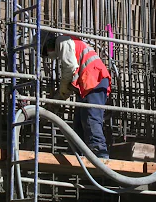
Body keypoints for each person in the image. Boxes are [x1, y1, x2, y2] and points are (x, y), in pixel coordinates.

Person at [39, 31, 112, 159]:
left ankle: (100, 153)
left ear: (47, 45)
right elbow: (72, 78)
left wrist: (62, 89)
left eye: (45, 52)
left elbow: (70, 67)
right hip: (87, 83)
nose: (48, 56)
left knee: (91, 118)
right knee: (79, 121)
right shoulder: (68, 44)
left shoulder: (62, 42)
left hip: (94, 79)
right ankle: (76, 152)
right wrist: (59, 96)